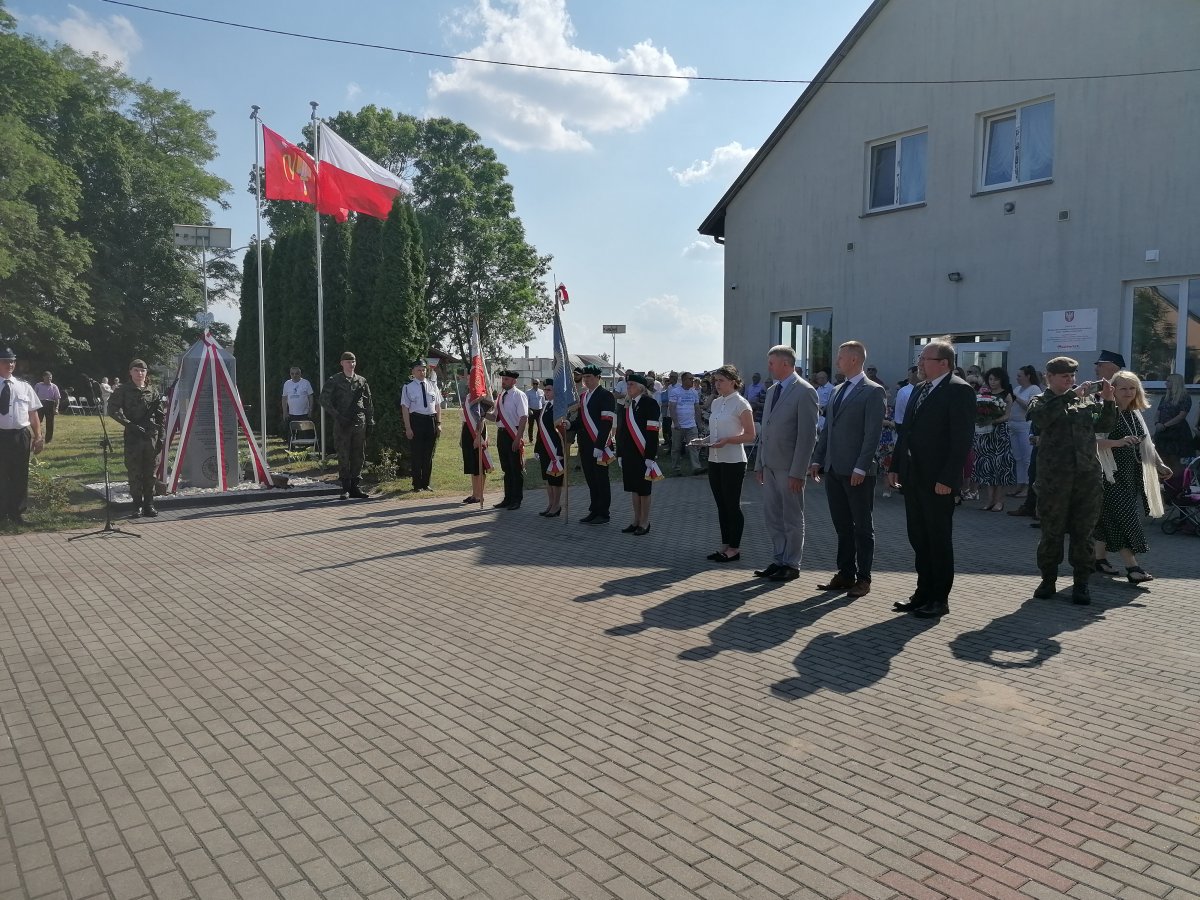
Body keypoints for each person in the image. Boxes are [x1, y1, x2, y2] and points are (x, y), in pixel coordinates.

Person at [886, 338, 976, 618]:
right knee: (919, 537)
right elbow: (906, 431)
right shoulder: (919, 388)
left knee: (938, 539)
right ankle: (922, 593)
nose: (920, 364)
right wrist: (895, 465)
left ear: (944, 363)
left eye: (925, 358)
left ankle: (939, 598)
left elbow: (961, 439)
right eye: (920, 358)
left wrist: (948, 478)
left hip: (938, 480)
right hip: (913, 476)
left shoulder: (959, 390)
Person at [1027, 356, 1117, 604]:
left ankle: (1081, 583)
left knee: (1083, 533)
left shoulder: (1085, 400)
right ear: (1050, 377)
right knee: (1052, 533)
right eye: (1065, 376)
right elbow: (1042, 419)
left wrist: (1109, 401)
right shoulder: (1041, 400)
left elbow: (1104, 425)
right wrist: (1070, 396)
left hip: (1086, 478)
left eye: (1072, 376)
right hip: (1054, 479)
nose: (1070, 380)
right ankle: (1048, 580)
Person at [809, 342, 886, 598]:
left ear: (854, 359)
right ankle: (845, 573)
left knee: (862, 527)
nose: (837, 361)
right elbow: (828, 429)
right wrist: (818, 459)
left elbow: (872, 434)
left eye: (840, 357)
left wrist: (861, 466)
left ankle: (863, 578)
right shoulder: (837, 390)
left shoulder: (873, 391)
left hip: (857, 472)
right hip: (834, 469)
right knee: (842, 526)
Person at [1093, 371, 1172, 584]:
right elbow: (1091, 442)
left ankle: (1098, 559)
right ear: (1113, 390)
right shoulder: (1105, 411)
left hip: (1131, 474)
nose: (1128, 392)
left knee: (1107, 518)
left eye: (1132, 388)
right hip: (1109, 475)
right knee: (1125, 518)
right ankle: (1132, 567)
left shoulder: (1134, 412)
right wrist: (1118, 442)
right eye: (1123, 388)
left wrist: (1159, 464)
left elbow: (1147, 443)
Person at [753, 345, 819, 582]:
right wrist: (759, 464)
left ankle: (792, 563)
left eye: (772, 362)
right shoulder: (773, 390)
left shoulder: (805, 391)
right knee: (773, 516)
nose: (768, 367)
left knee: (791, 517)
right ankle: (779, 559)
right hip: (769, 465)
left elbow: (807, 436)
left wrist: (798, 472)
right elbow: (766, 430)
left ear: (785, 363)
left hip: (790, 468)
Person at [704, 365, 756, 563]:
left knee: (732, 505)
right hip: (715, 459)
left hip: (734, 461)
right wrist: (703, 440)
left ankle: (735, 548)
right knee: (721, 505)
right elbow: (717, 432)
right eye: (715, 381)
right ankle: (725, 545)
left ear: (733, 382)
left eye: (721, 380)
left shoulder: (741, 403)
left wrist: (727, 441)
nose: (717, 384)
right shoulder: (717, 402)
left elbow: (750, 435)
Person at [108, 359, 164, 518]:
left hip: (151, 437)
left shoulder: (153, 391)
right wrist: (129, 425)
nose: (140, 373)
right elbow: (112, 410)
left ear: (146, 373)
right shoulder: (123, 390)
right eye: (136, 370)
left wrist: (161, 436)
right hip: (133, 437)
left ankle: (149, 504)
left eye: (143, 370)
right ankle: (137, 505)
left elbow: (161, 416)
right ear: (130, 372)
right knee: (134, 472)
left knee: (151, 472)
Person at [0, 348, 46, 525]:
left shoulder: (24, 386)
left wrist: (38, 436)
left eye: (12, 361)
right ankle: (2, 512)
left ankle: (17, 513)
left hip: (20, 436)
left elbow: (33, 414)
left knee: (20, 474)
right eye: (5, 361)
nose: (10, 364)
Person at [321, 351, 374, 500]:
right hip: (342, 423)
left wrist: (370, 420)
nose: (351, 364)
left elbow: (368, 402)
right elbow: (323, 399)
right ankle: (345, 487)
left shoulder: (361, 381)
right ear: (342, 363)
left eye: (353, 361)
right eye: (348, 362)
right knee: (343, 455)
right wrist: (337, 416)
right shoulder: (335, 380)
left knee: (358, 455)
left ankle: (355, 486)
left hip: (359, 422)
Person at [616, 373, 661, 535]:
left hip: (643, 453)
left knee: (643, 489)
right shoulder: (628, 404)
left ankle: (644, 522)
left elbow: (653, 432)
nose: (628, 387)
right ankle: (635, 520)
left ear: (641, 388)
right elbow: (621, 431)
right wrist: (620, 453)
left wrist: (650, 456)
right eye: (627, 384)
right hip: (629, 453)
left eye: (632, 385)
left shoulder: (650, 403)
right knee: (633, 488)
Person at [575, 364, 616, 524]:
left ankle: (604, 513)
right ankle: (594, 509)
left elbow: (607, 422)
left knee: (601, 479)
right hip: (585, 445)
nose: (586, 380)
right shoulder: (583, 396)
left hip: (600, 445)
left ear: (598, 378)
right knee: (591, 479)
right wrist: (570, 425)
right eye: (584, 377)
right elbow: (581, 421)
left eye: (589, 377)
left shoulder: (606, 395)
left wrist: (599, 446)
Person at [973, 368, 1017, 511]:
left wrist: (992, 420)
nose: (992, 382)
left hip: (1000, 433)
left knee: (1001, 466)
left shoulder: (1006, 394)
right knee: (987, 466)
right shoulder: (983, 394)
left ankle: (999, 501)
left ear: (1002, 380)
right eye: (990, 379)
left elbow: (1007, 415)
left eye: (996, 379)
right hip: (985, 434)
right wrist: (981, 418)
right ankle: (990, 500)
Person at [400, 360, 442, 493]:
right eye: (418, 370)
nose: (422, 372)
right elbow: (405, 408)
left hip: (431, 421)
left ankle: (426, 483)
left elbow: (438, 406)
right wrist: (408, 428)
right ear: (413, 371)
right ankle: (417, 484)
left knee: (428, 454)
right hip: (416, 421)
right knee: (417, 454)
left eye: (423, 369)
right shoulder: (408, 387)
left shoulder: (432, 385)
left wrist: (438, 423)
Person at [490, 369, 529, 511]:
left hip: (513, 434)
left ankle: (516, 499)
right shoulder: (501, 396)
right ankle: (507, 498)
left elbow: (523, 417)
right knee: (506, 469)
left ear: (514, 381)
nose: (503, 381)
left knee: (515, 469)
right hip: (501, 434)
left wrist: (518, 439)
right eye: (503, 379)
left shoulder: (519, 395)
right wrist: (482, 413)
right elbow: (494, 417)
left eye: (506, 379)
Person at [1008, 365, 1042, 497]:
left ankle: (1028, 486)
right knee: (1018, 457)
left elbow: (1030, 406)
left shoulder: (1034, 389)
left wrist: (1016, 397)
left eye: (1019, 376)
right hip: (1013, 425)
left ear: (1028, 376)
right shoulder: (1017, 389)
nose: (1017, 378)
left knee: (1027, 457)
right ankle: (1019, 484)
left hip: (1025, 426)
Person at [534, 379, 565, 517]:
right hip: (544, 448)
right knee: (548, 478)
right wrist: (537, 448)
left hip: (555, 449)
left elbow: (562, 432)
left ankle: (557, 505)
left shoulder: (559, 408)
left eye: (549, 390)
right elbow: (540, 429)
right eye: (545, 390)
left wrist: (560, 450)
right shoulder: (546, 405)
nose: (546, 392)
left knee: (556, 479)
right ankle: (551, 504)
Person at [1154, 373, 1194, 474]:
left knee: (1175, 460)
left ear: (1175, 382)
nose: (1165, 383)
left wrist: (1165, 425)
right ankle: (1164, 480)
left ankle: (1177, 481)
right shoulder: (1165, 397)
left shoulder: (1185, 397)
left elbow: (1181, 416)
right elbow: (1158, 412)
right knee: (1161, 458)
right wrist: (1157, 423)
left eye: (1168, 381)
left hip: (1177, 433)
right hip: (1163, 433)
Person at [460, 395, 493, 505]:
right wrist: (461, 437)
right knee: (472, 465)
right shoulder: (468, 396)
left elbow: (481, 418)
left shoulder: (481, 395)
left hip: (477, 432)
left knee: (479, 465)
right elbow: (465, 419)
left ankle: (479, 495)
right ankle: (474, 494)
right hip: (467, 430)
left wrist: (478, 437)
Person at [669, 372, 703, 475]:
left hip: (691, 425)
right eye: (690, 379)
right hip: (678, 426)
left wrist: (699, 423)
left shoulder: (694, 392)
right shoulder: (675, 391)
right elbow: (672, 407)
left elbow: (697, 408)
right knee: (676, 448)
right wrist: (676, 422)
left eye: (693, 379)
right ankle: (676, 469)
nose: (692, 381)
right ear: (684, 380)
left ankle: (696, 468)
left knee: (694, 446)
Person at [33, 371, 62, 444]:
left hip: (50, 404)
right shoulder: (38, 385)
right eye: (47, 378)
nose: (49, 379)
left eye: (50, 378)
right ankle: (39, 437)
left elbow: (57, 398)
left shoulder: (54, 386)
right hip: (40, 404)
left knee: (50, 423)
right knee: (38, 422)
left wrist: (56, 408)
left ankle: (48, 439)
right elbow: (34, 396)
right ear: (43, 377)